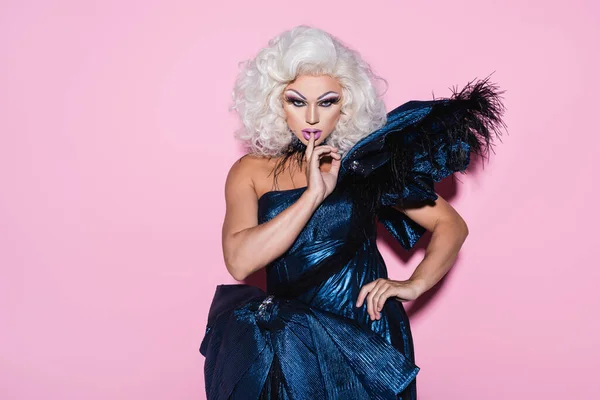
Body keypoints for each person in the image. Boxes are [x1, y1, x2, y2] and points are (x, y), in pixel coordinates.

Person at [199, 25, 507, 400]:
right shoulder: (251, 171)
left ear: (346, 104)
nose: (312, 117)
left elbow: (450, 225)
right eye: (297, 101)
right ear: (275, 102)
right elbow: (240, 262)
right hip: (290, 341)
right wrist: (313, 195)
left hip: (364, 333)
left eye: (326, 101)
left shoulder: (365, 164)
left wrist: (414, 284)